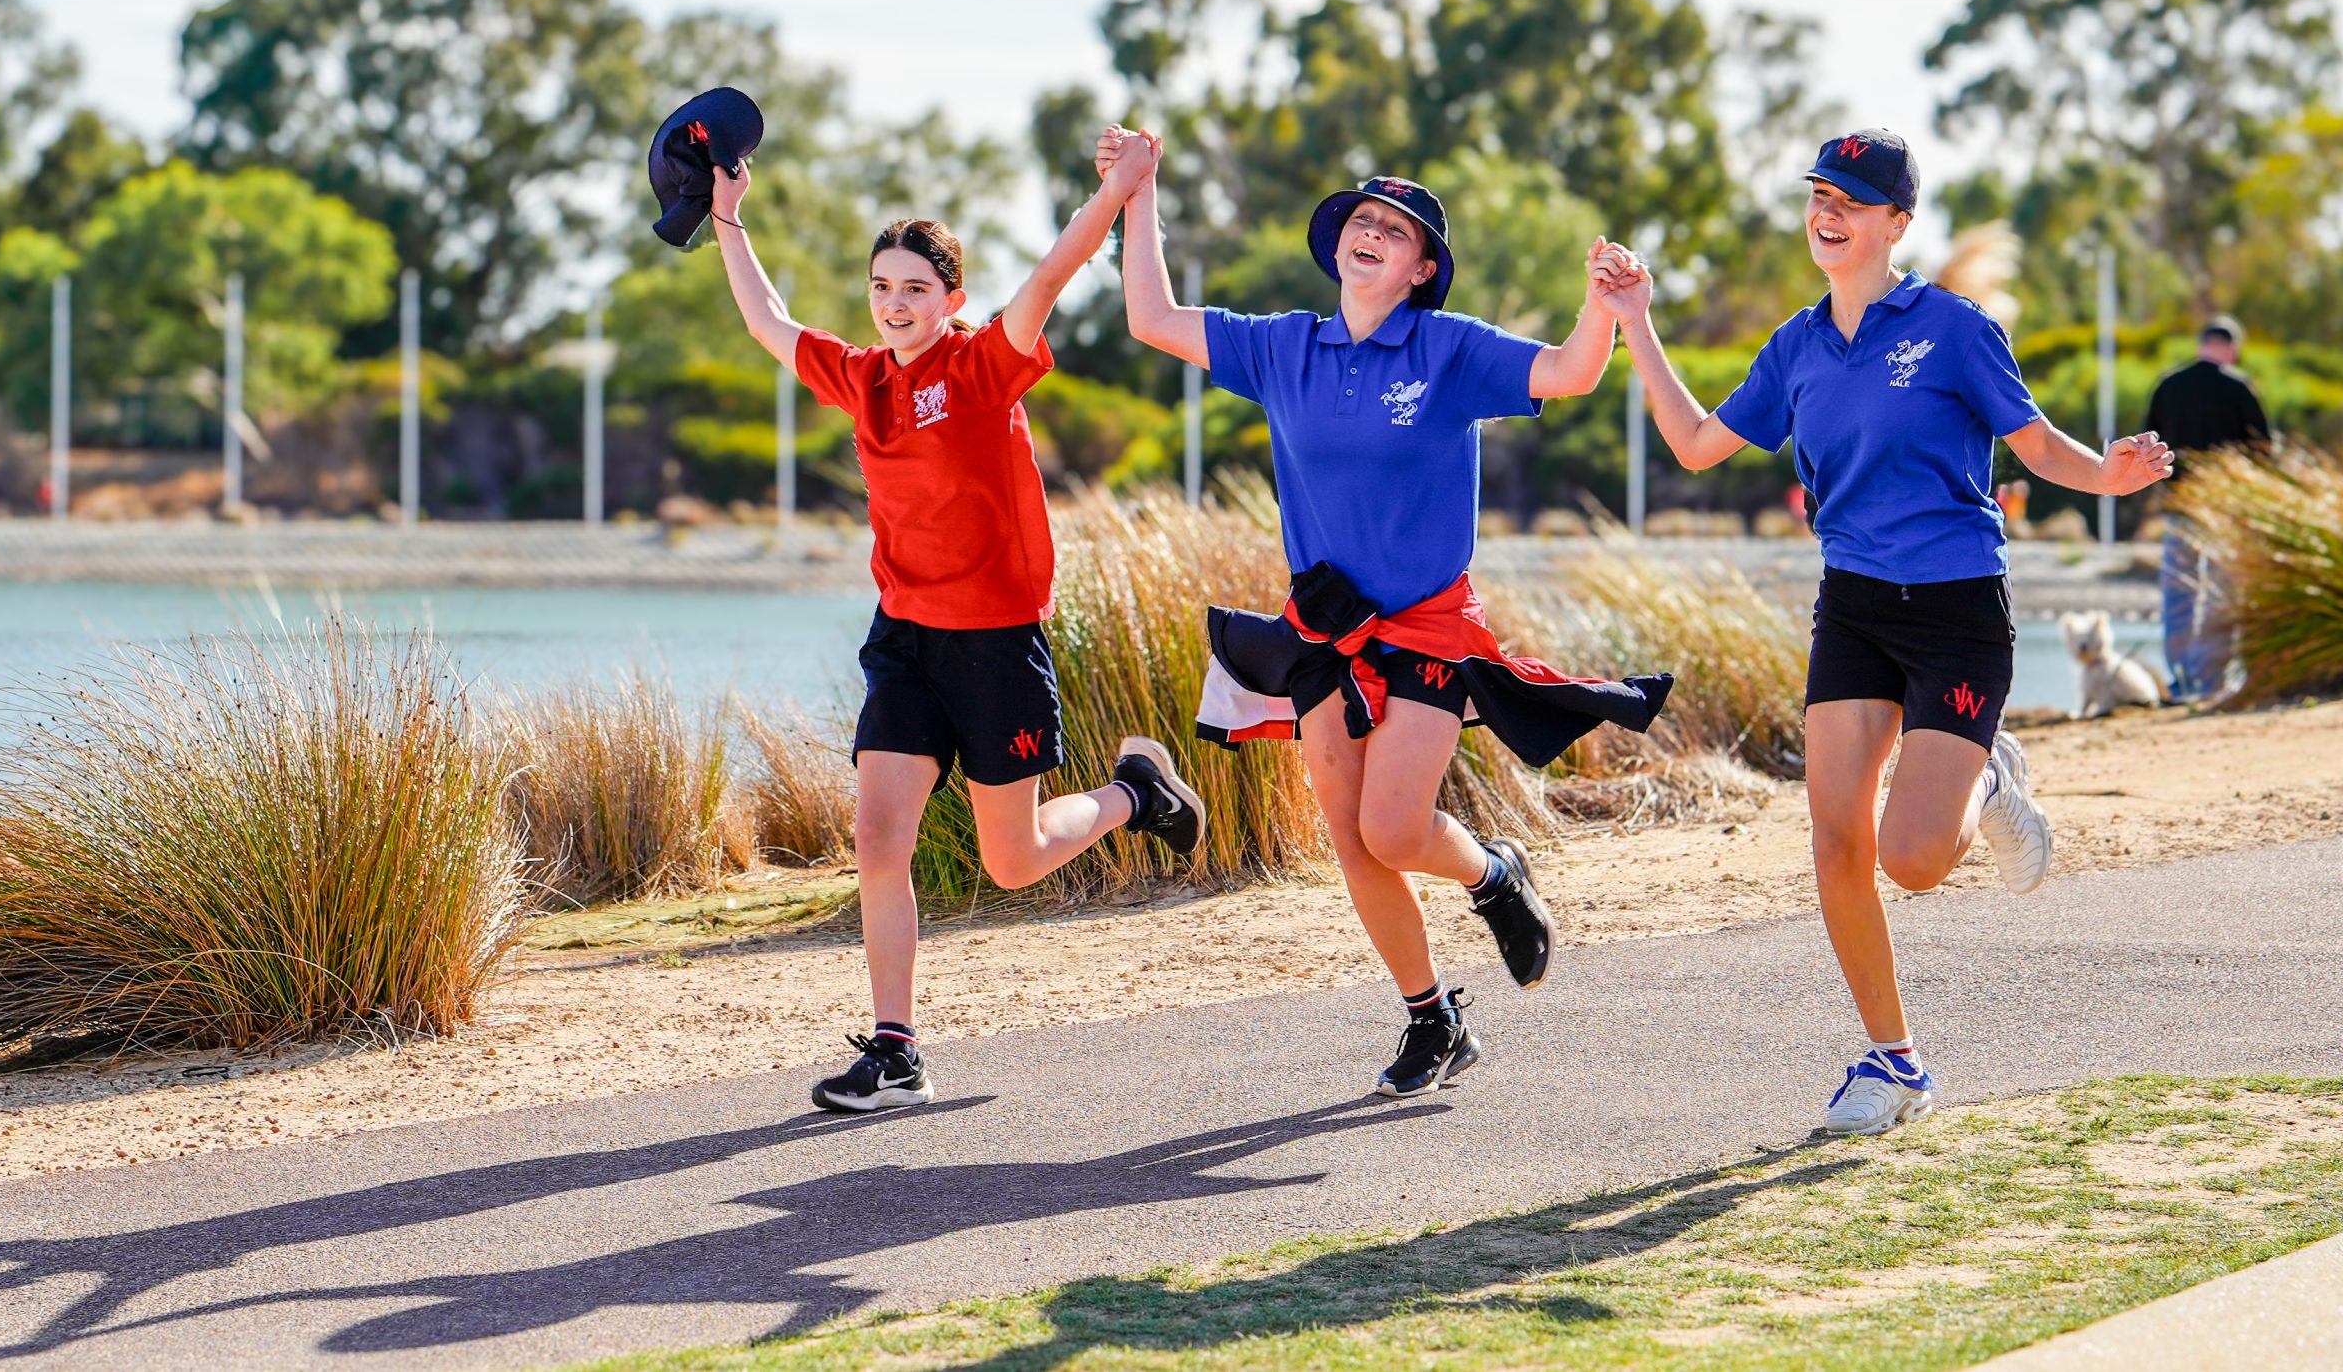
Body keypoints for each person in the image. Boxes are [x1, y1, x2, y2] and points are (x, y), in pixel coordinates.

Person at [1594, 128, 2172, 1135]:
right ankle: (1894, 1061)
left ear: (1897, 223)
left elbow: (2034, 445)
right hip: (1852, 606)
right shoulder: (1796, 344)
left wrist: (2109, 475)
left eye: (1852, 201)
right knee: (1833, 845)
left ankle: (1989, 776)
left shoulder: (1952, 328)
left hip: (1955, 612)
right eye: (1820, 194)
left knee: (1911, 859)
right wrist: (1635, 320)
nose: (1828, 212)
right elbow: (1691, 445)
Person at [1113, 129, 1673, 1098]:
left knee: (1394, 827)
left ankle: (1494, 876)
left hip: (1426, 624)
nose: (1371, 234)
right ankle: (1432, 1018)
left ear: (1420, 271)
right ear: (1339, 247)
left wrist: (1606, 308)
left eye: (1395, 230)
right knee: (1350, 836)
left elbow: (1571, 373)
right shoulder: (1284, 345)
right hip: (1325, 632)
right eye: (1360, 221)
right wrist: (1137, 191)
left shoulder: (1448, 349)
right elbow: (1152, 315)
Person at [707, 129, 1205, 1114]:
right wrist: (726, 218)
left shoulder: (984, 365)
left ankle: (1134, 792)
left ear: (951, 301)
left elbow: (1056, 268)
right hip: (905, 642)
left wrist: (1118, 189)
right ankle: (896, 1051)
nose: (893, 305)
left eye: (913, 290)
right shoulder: (862, 379)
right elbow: (769, 322)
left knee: (1010, 862)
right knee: (876, 843)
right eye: (881, 288)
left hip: (994, 643)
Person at [2143, 316, 2272, 700]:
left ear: (2202, 344)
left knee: (2179, 591)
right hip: (2224, 509)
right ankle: (2213, 679)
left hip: (2179, 504)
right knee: (2220, 591)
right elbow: (2264, 451)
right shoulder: (2239, 388)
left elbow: (2148, 443)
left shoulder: (2168, 386)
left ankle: (2182, 678)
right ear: (2231, 349)